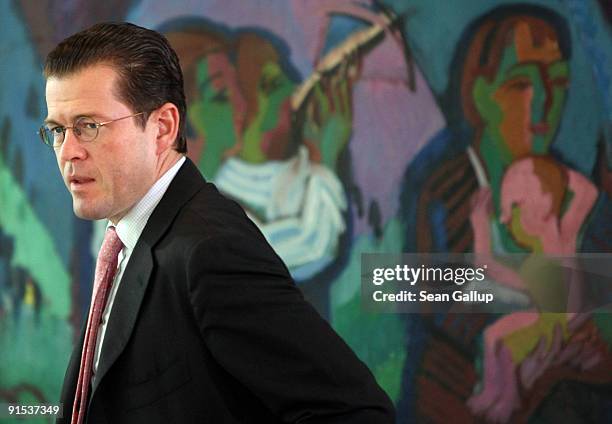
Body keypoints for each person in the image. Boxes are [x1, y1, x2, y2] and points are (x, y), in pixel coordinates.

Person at [39, 22, 394, 424]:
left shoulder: (211, 250)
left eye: (89, 126)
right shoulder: (131, 239)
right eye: (57, 129)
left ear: (163, 128)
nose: (68, 151)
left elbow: (355, 411)